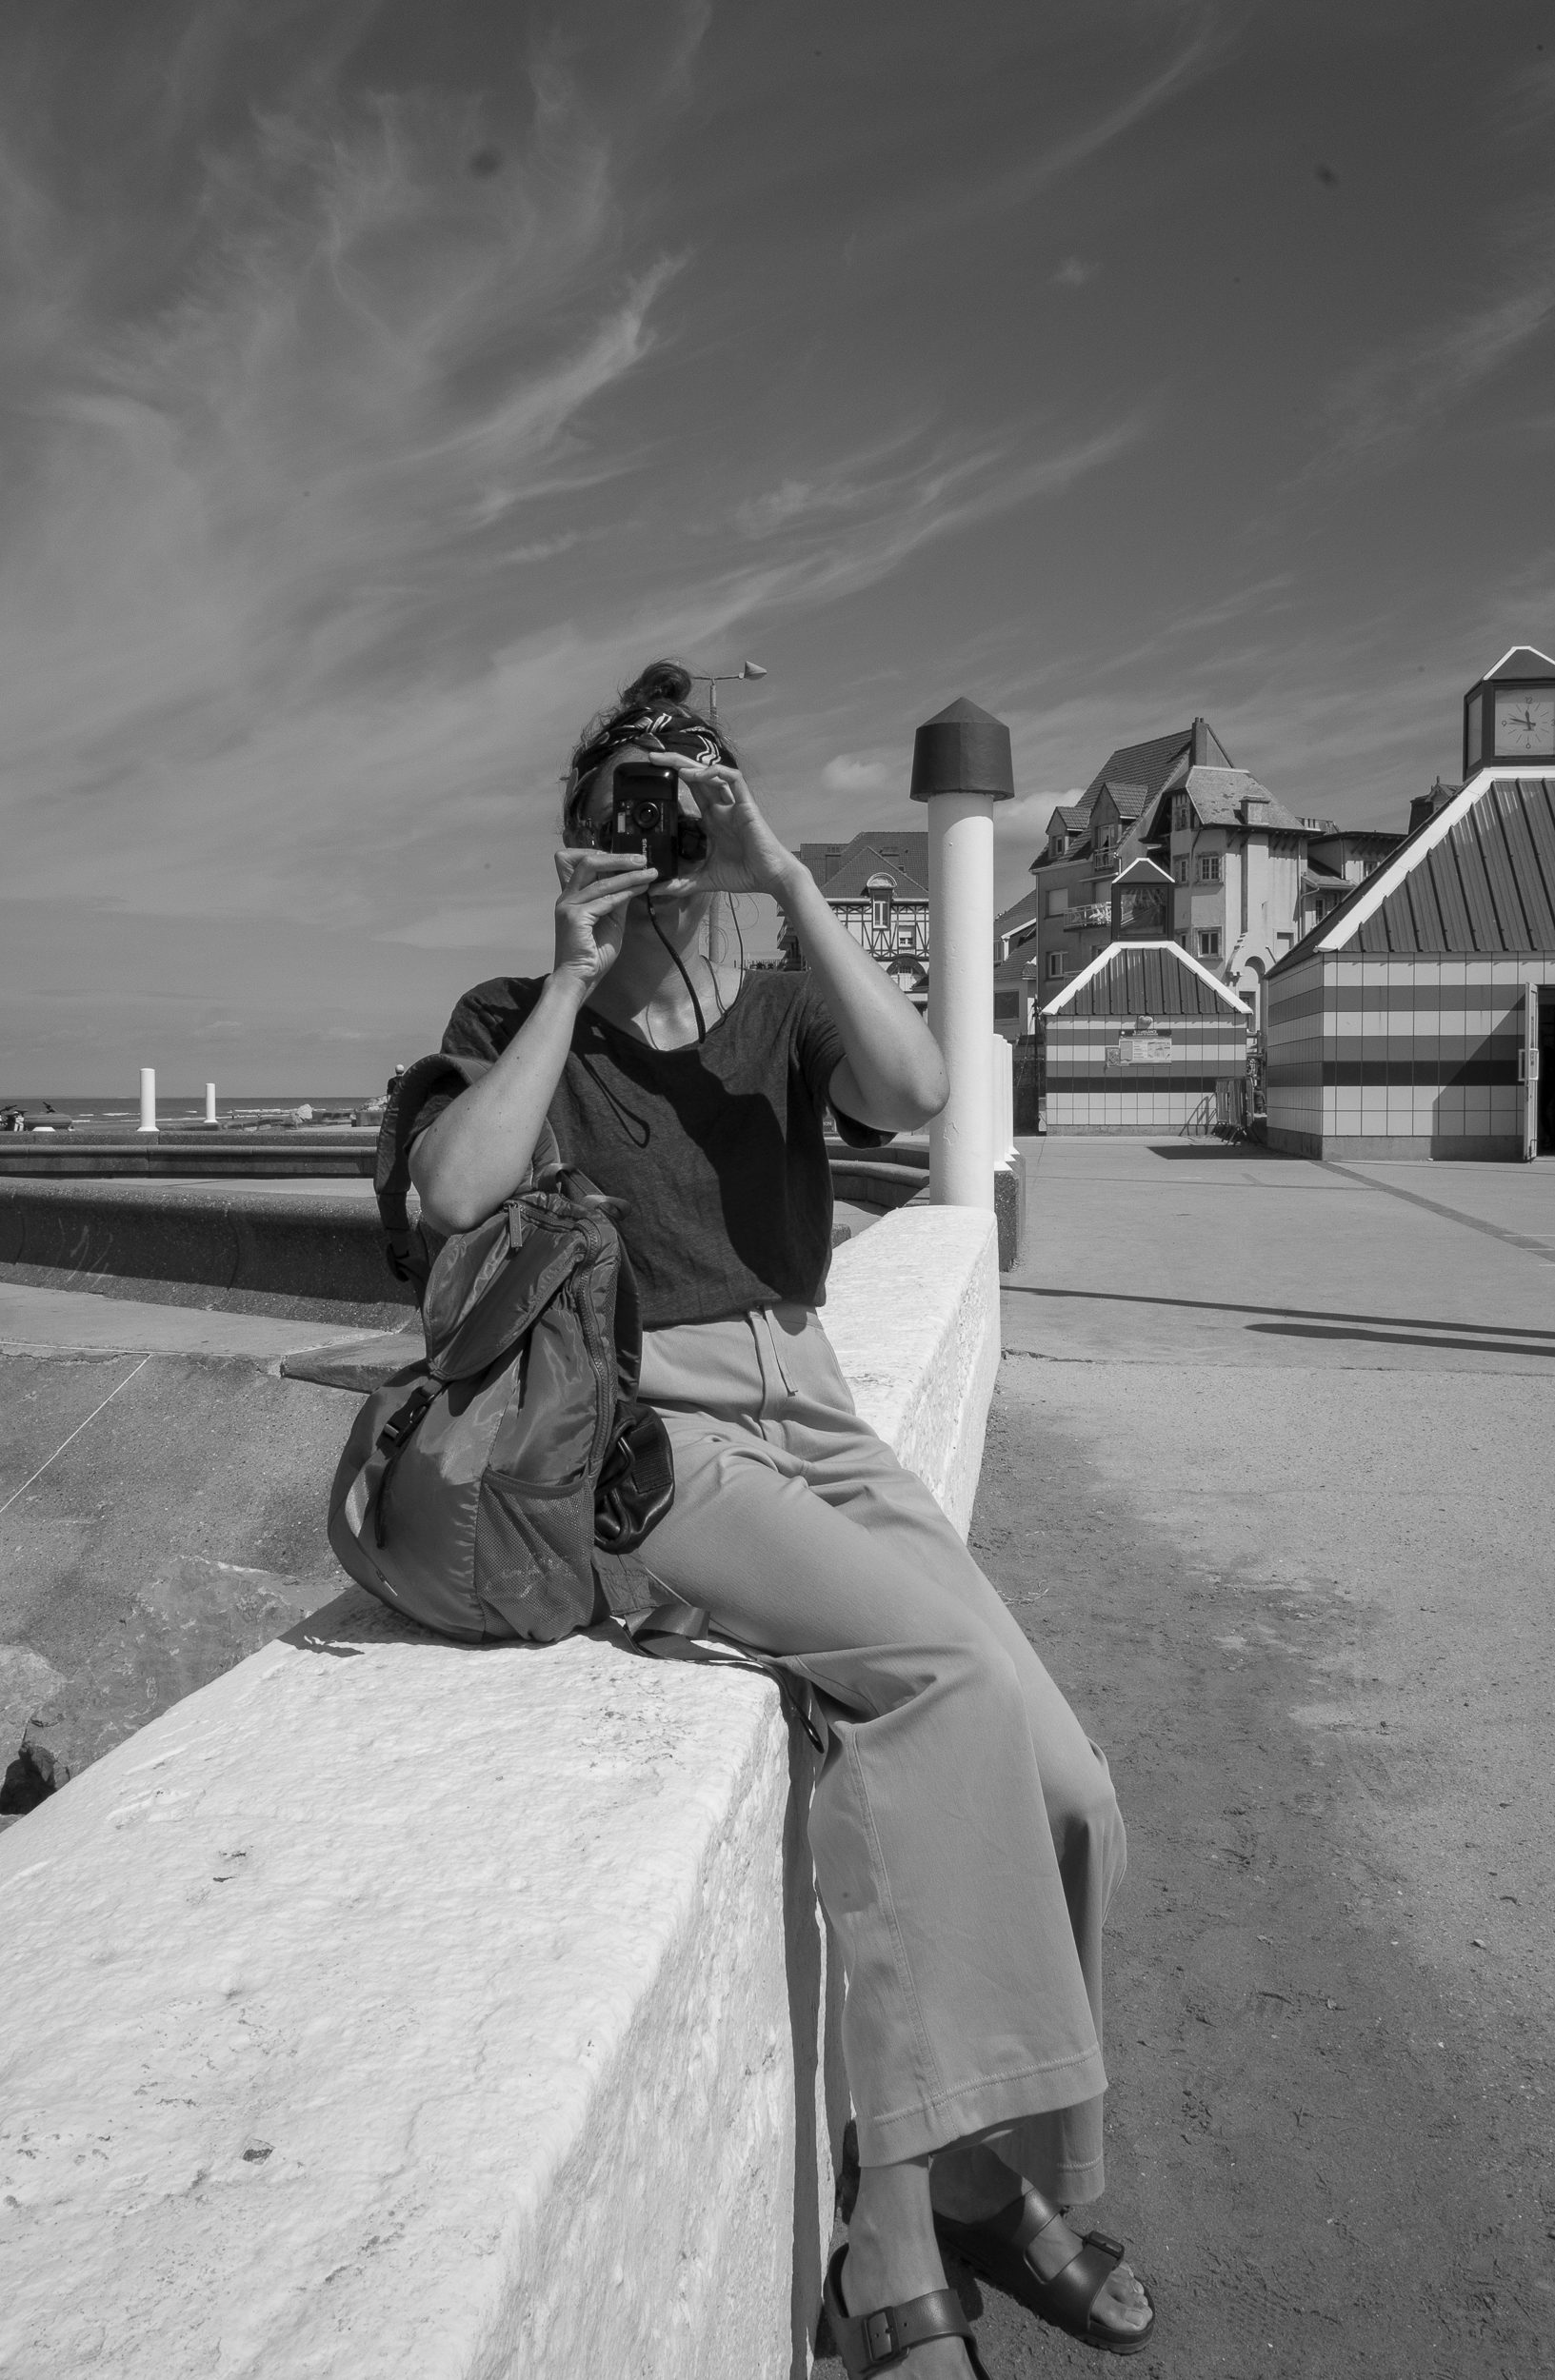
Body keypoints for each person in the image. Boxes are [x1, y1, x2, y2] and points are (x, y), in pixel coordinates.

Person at [409, 662, 1155, 2373]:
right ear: (581, 834)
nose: (658, 836)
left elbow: (915, 1091)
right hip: (660, 1432)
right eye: (627, 809)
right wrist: (575, 975)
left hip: (814, 1400)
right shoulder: (520, 1007)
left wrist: (793, 879)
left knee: (1076, 1793)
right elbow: (454, 1194)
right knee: (938, 1692)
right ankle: (888, 2256)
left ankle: (982, 2178)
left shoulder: (782, 1008)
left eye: (684, 801)